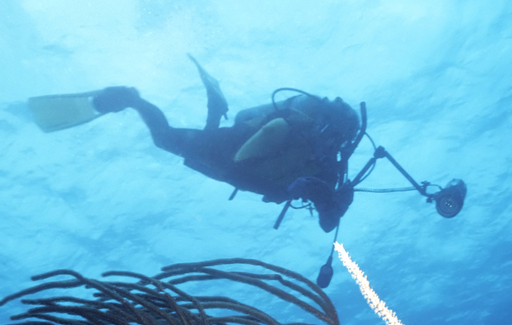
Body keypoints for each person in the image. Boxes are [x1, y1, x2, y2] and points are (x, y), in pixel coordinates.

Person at [87, 58, 360, 232]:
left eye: (339, 139)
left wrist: (340, 204)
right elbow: (237, 166)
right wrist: (285, 190)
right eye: (334, 134)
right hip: (234, 149)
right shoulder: (290, 129)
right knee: (165, 139)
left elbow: (327, 224)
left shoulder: (329, 167)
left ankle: (216, 104)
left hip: (237, 167)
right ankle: (132, 98)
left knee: (199, 149)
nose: (333, 142)